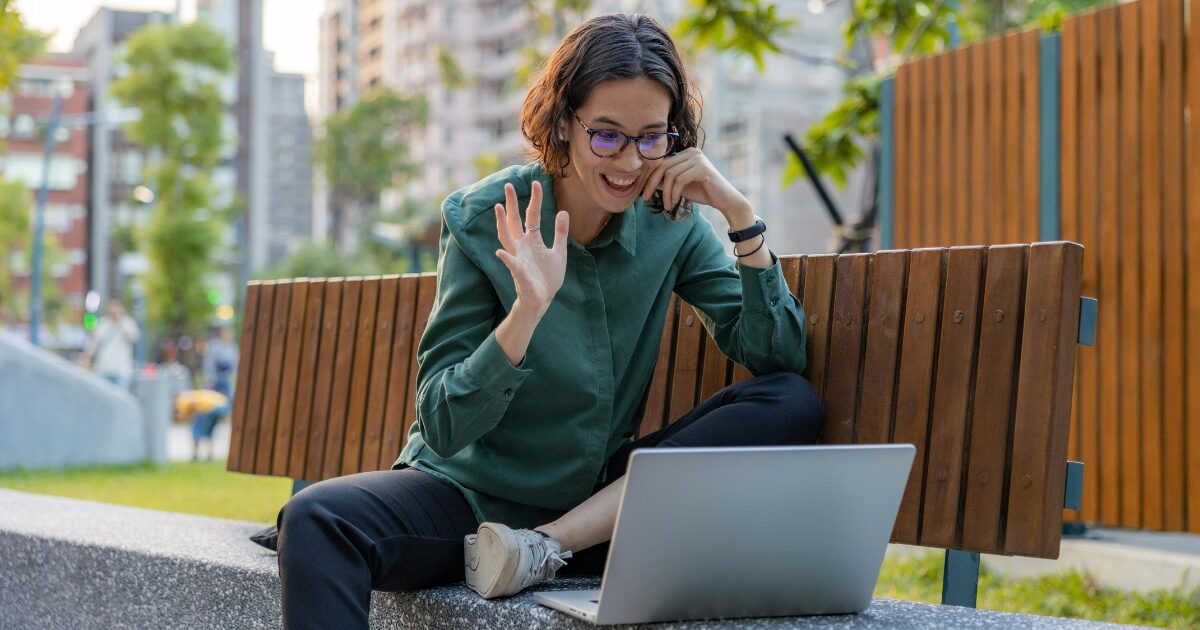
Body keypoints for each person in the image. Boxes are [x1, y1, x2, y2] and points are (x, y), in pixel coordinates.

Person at [267, 14, 824, 629]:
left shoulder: (675, 225)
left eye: (651, 137)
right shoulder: (484, 217)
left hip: (595, 512)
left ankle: (546, 543)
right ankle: (534, 542)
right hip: (468, 498)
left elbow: (778, 356)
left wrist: (740, 216)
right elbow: (445, 425)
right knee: (317, 519)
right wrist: (526, 312)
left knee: (789, 399)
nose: (631, 162)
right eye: (606, 135)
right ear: (563, 123)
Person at [79, 298, 139, 389]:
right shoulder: (102, 324)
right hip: (103, 369)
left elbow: (132, 339)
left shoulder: (127, 322)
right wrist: (85, 358)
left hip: (122, 370)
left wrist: (120, 321)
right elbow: (94, 345)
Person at [174, 388, 230, 461]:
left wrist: (189, 417)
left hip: (210, 408)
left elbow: (191, 405)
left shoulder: (181, 401)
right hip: (223, 405)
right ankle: (209, 455)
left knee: (196, 431)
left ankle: (195, 455)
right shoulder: (189, 394)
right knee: (209, 432)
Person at [202, 325, 238, 398]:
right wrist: (209, 379)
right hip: (214, 380)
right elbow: (209, 364)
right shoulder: (214, 345)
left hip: (227, 380)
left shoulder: (232, 347)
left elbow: (235, 364)